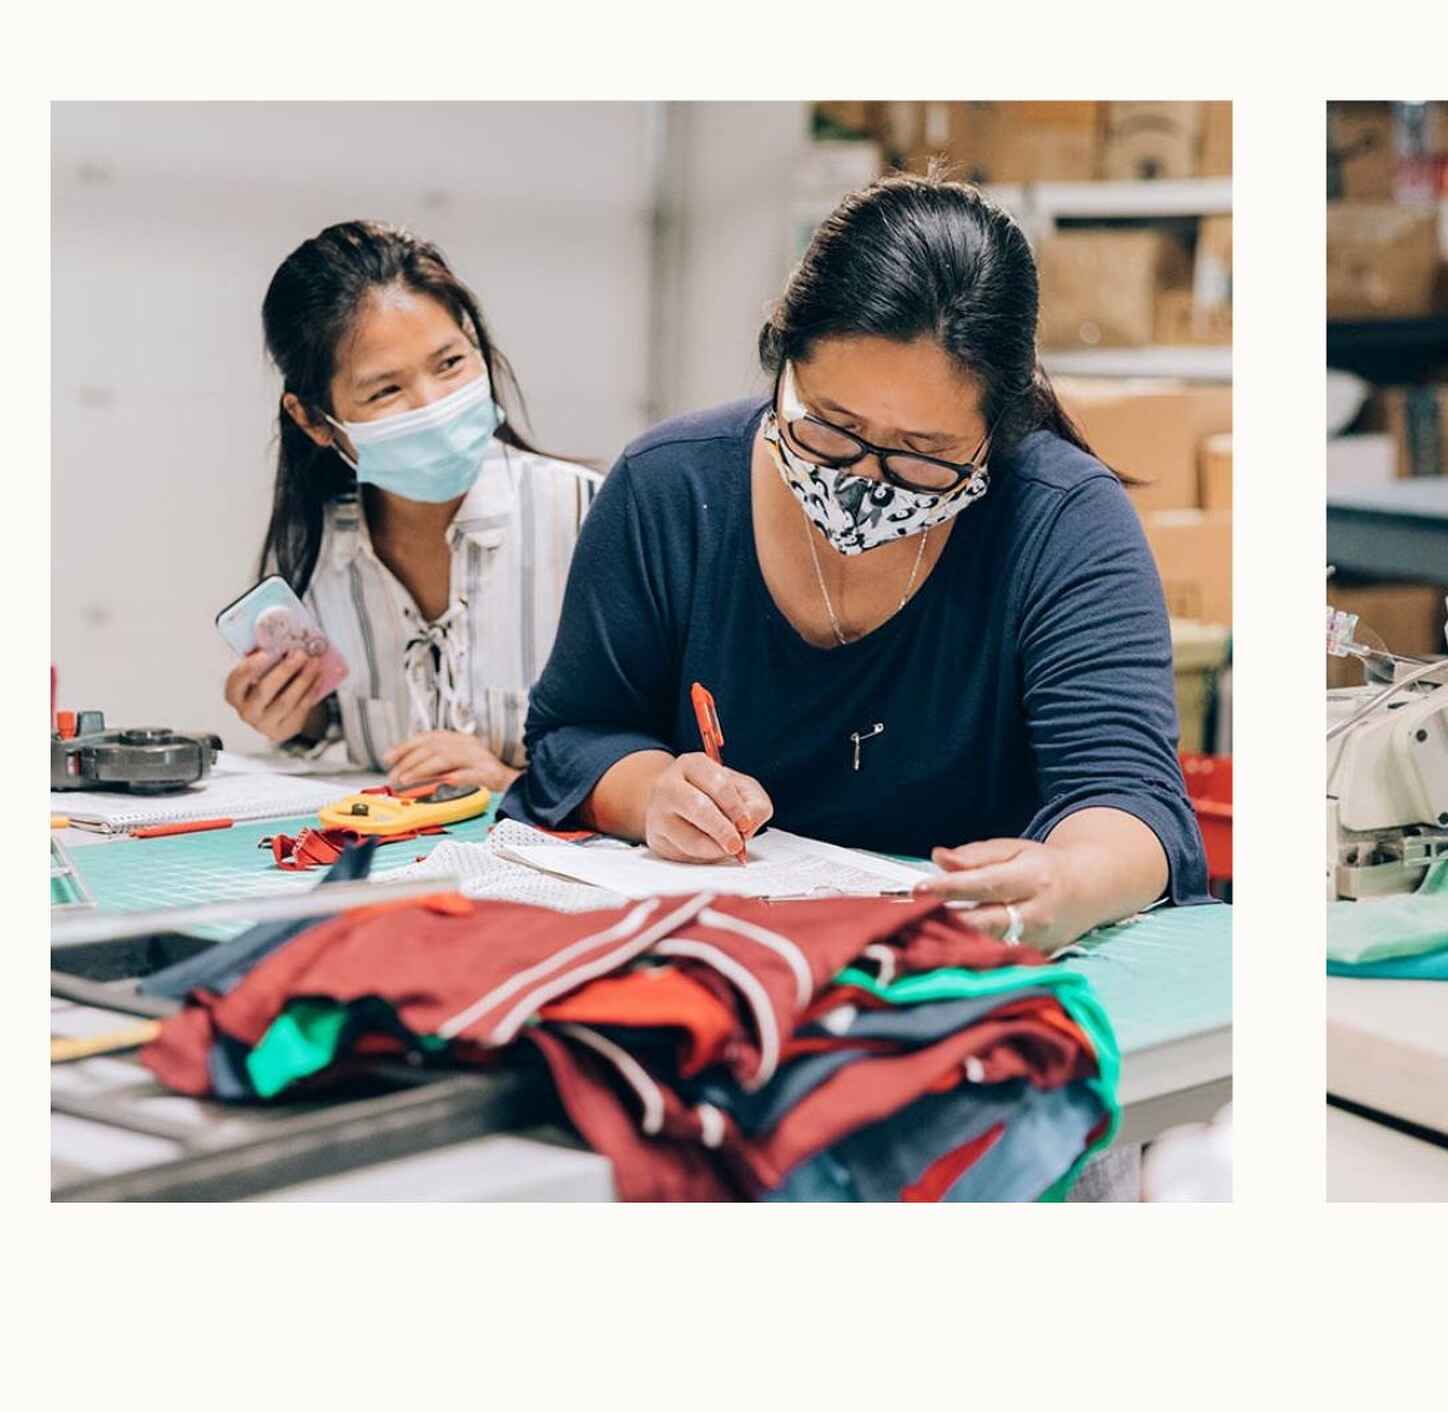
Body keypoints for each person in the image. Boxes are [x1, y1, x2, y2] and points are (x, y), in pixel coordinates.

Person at [504, 172, 1208, 952]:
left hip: (966, 971)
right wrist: (648, 794)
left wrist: (1071, 880)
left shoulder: (1061, 519)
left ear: (995, 433)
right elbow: (573, 732)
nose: (866, 480)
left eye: (924, 456)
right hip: (718, 953)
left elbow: (1130, 799)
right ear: (781, 359)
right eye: (831, 430)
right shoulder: (670, 488)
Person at [229, 221, 601, 794]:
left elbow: (663, 754)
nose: (433, 405)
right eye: (385, 391)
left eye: (450, 363)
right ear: (312, 419)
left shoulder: (588, 514)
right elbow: (340, 750)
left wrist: (512, 785)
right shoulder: (321, 552)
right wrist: (297, 719)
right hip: (390, 872)